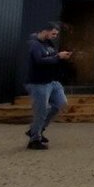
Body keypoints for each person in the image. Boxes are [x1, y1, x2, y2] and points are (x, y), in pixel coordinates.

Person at [24, 21, 71, 150]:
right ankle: (34, 140)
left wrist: (61, 56)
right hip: (38, 83)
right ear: (45, 31)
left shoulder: (49, 43)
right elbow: (39, 61)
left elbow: (52, 56)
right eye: (54, 33)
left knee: (60, 104)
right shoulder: (34, 44)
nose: (55, 36)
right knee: (41, 111)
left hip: (52, 81)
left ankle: (36, 130)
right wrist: (58, 57)